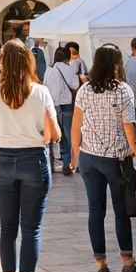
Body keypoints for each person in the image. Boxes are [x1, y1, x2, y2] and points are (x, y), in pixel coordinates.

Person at [0, 39, 60, 272]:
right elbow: (54, 134)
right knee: (31, 229)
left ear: (2, 63)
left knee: (7, 229)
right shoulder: (41, 92)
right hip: (33, 159)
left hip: (1, 160)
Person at [72, 44, 136, 272]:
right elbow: (129, 126)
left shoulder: (84, 90)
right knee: (121, 211)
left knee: (95, 210)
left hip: (89, 156)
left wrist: (75, 154)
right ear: (117, 63)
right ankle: (128, 263)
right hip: (116, 158)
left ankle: (101, 265)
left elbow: (76, 125)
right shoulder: (122, 90)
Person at [44, 46, 79, 175]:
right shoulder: (67, 68)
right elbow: (75, 85)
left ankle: (54, 163)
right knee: (70, 136)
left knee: (59, 136)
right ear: (67, 57)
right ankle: (70, 163)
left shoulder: (49, 70)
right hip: (66, 105)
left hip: (52, 106)